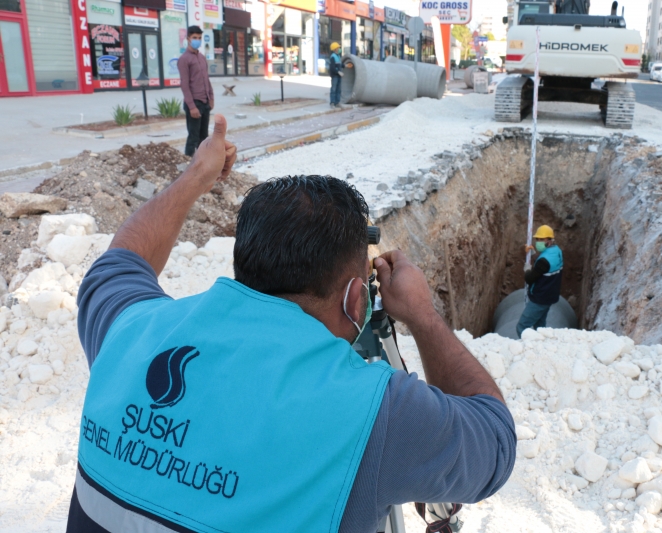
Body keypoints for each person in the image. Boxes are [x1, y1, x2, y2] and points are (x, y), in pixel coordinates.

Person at [67, 114, 516, 533]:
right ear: (355, 299)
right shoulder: (372, 413)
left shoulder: (130, 331)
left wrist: (197, 176)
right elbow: (494, 441)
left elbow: (122, 260)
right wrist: (422, 315)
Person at [516, 225, 563, 337]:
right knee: (540, 327)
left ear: (549, 240)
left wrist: (527, 269)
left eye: (541, 239)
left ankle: (529, 346)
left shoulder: (544, 261)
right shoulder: (557, 252)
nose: (538, 242)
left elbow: (530, 278)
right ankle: (541, 345)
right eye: (537, 239)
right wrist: (533, 254)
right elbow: (544, 266)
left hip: (540, 299)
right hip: (550, 296)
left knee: (522, 327)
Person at [177, 25, 214, 157]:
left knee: (204, 137)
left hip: (205, 102)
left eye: (199, 38)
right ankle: (188, 162)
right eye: (194, 38)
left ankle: (204, 162)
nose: (197, 40)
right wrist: (192, 107)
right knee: (193, 137)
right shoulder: (184, 59)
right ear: (188, 38)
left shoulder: (202, 58)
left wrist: (211, 98)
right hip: (194, 103)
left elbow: (206, 79)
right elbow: (184, 85)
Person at [329, 42, 344, 108]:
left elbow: (340, 65)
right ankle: (332, 103)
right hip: (335, 76)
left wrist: (345, 65)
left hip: (339, 76)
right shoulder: (333, 57)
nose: (339, 49)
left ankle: (337, 102)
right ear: (335, 49)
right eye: (338, 48)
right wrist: (338, 72)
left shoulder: (338, 56)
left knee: (338, 90)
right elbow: (332, 68)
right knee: (334, 89)